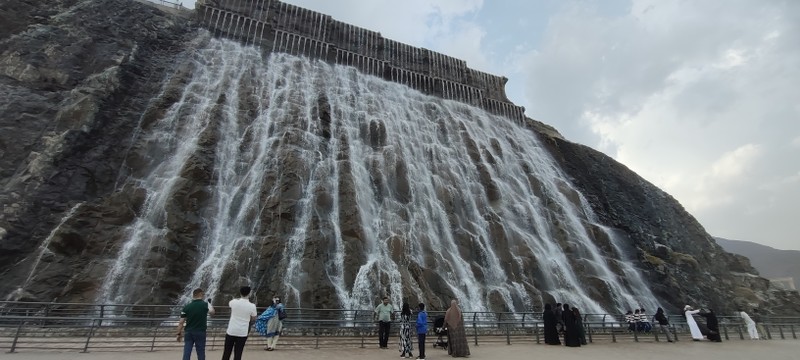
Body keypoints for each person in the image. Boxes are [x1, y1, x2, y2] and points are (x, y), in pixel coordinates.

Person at [177, 288, 216, 360]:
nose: (204, 296)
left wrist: (179, 333)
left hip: (188, 332)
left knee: (187, 351)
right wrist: (209, 304)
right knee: (200, 351)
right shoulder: (205, 305)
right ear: (200, 294)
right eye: (203, 294)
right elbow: (212, 312)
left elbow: (181, 322)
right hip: (200, 332)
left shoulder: (186, 307)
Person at [222, 286, 258, 360]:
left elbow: (230, 305)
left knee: (226, 352)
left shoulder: (233, 302)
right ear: (249, 294)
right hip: (242, 332)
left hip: (231, 330)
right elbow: (254, 317)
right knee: (238, 353)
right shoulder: (252, 306)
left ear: (240, 293)